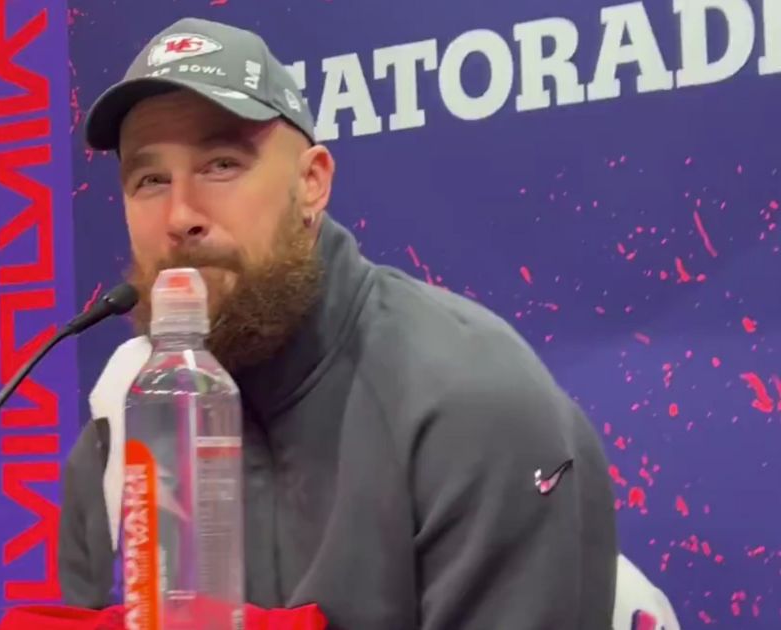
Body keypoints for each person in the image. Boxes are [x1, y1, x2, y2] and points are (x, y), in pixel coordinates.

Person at [60, 17, 618, 629]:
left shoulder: (471, 402)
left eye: (221, 164)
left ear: (312, 184)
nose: (181, 215)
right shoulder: (118, 434)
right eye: (150, 179)